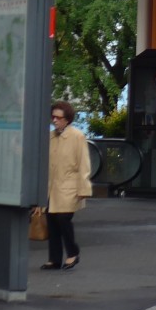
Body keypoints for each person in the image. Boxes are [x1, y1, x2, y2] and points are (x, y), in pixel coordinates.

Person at [43, 100, 92, 271]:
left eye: (58, 117)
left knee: (63, 219)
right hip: (52, 187)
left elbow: (83, 164)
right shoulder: (50, 137)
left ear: (67, 119)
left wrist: (84, 189)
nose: (54, 120)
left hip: (69, 186)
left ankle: (72, 252)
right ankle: (54, 259)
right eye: (53, 117)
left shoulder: (77, 136)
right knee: (52, 221)